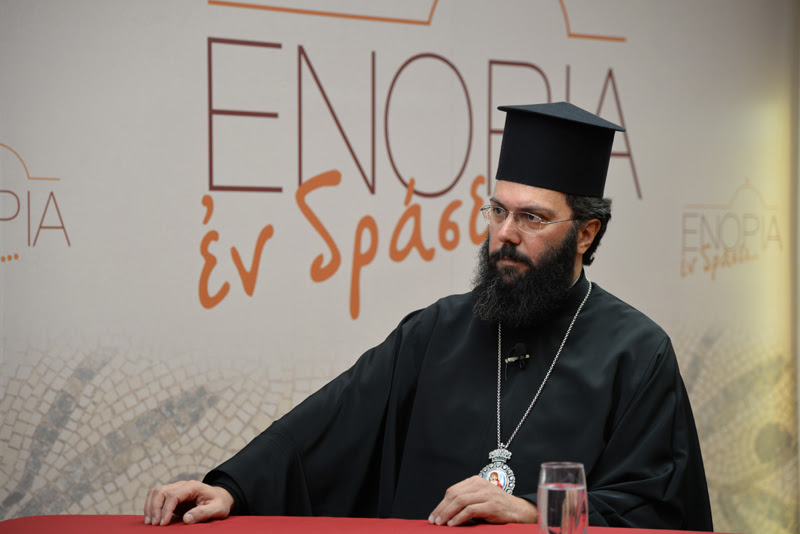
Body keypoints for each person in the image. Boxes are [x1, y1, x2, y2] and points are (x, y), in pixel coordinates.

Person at [143, 102, 713, 530]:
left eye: (532, 219)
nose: (505, 234)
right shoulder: (438, 330)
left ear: (586, 234)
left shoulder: (637, 352)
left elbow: (655, 507)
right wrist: (235, 487)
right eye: (497, 210)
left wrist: (534, 512)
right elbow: (330, 425)